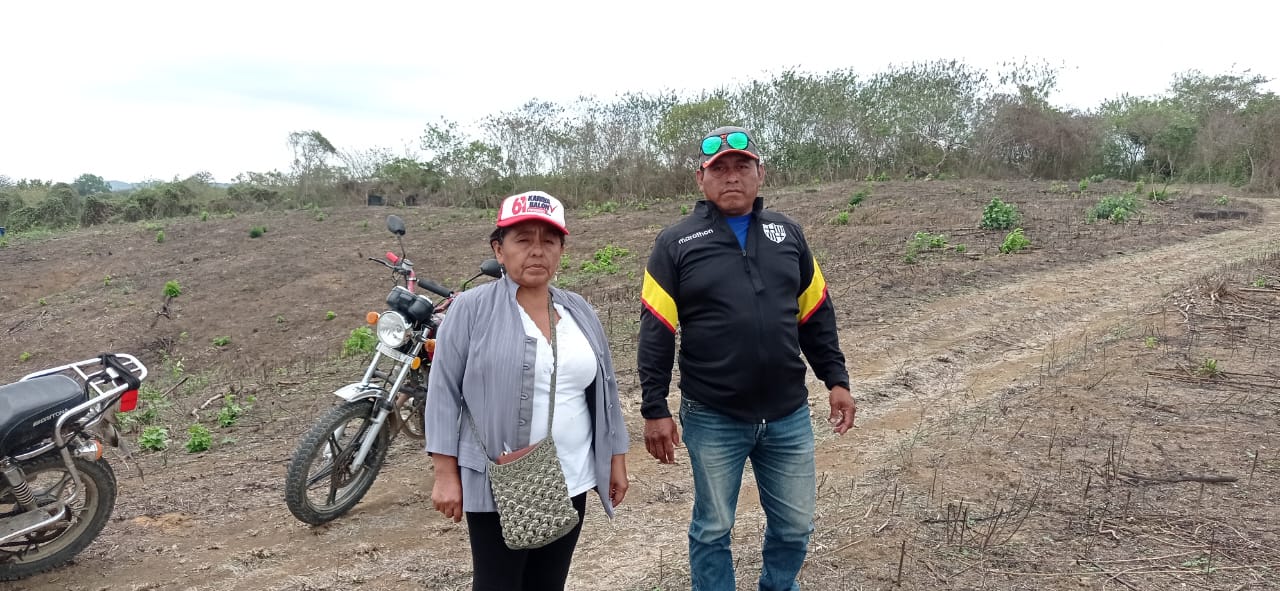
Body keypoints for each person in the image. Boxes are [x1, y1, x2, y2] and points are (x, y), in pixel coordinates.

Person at [638, 126, 855, 591]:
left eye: (742, 166)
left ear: (761, 174)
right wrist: (654, 407)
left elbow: (815, 314)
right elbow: (656, 330)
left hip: (788, 414)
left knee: (795, 525)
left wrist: (836, 379)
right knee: (713, 527)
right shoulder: (675, 243)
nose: (731, 177)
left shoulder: (788, 233)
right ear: (701, 178)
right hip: (713, 414)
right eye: (719, 169)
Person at [425, 190, 630, 591]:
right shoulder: (471, 309)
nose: (537, 251)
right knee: (497, 583)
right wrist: (445, 474)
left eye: (549, 241)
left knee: (548, 583)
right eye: (523, 240)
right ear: (499, 250)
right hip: (501, 478)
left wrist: (616, 460)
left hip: (571, 475)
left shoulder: (578, 309)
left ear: (561, 251)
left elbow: (606, 389)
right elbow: (443, 392)